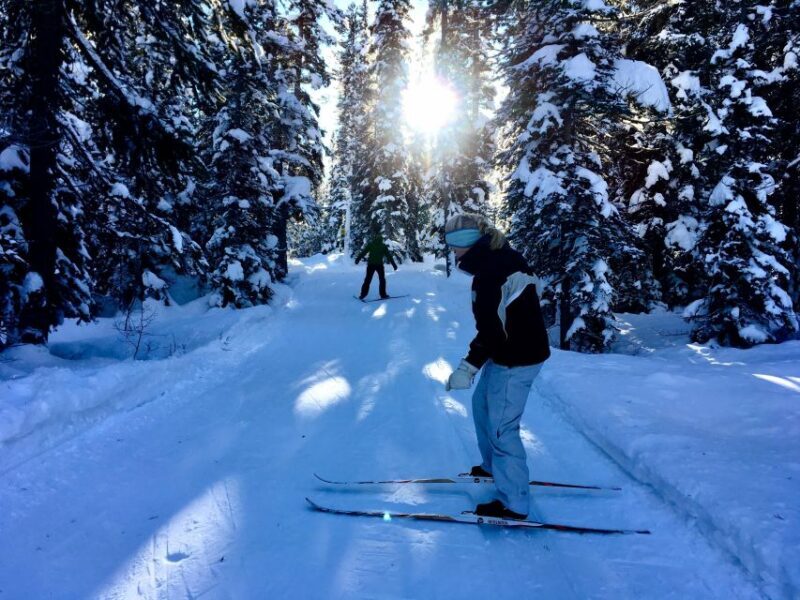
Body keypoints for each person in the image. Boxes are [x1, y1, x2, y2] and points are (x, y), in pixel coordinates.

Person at [444, 213, 551, 520]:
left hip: (517, 357)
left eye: (454, 245)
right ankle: (493, 468)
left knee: (502, 427)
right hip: (509, 349)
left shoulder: (490, 272)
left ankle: (514, 502)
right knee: (482, 405)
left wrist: (468, 367)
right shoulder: (501, 257)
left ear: (467, 243)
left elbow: (491, 330)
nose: (452, 252)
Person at [355, 233, 398, 300]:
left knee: (367, 280)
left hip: (371, 265)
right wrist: (394, 265)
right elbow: (389, 256)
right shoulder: (383, 246)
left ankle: (362, 295)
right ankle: (383, 295)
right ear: (381, 239)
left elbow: (364, 252)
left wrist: (358, 259)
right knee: (382, 280)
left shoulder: (371, 244)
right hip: (379, 265)